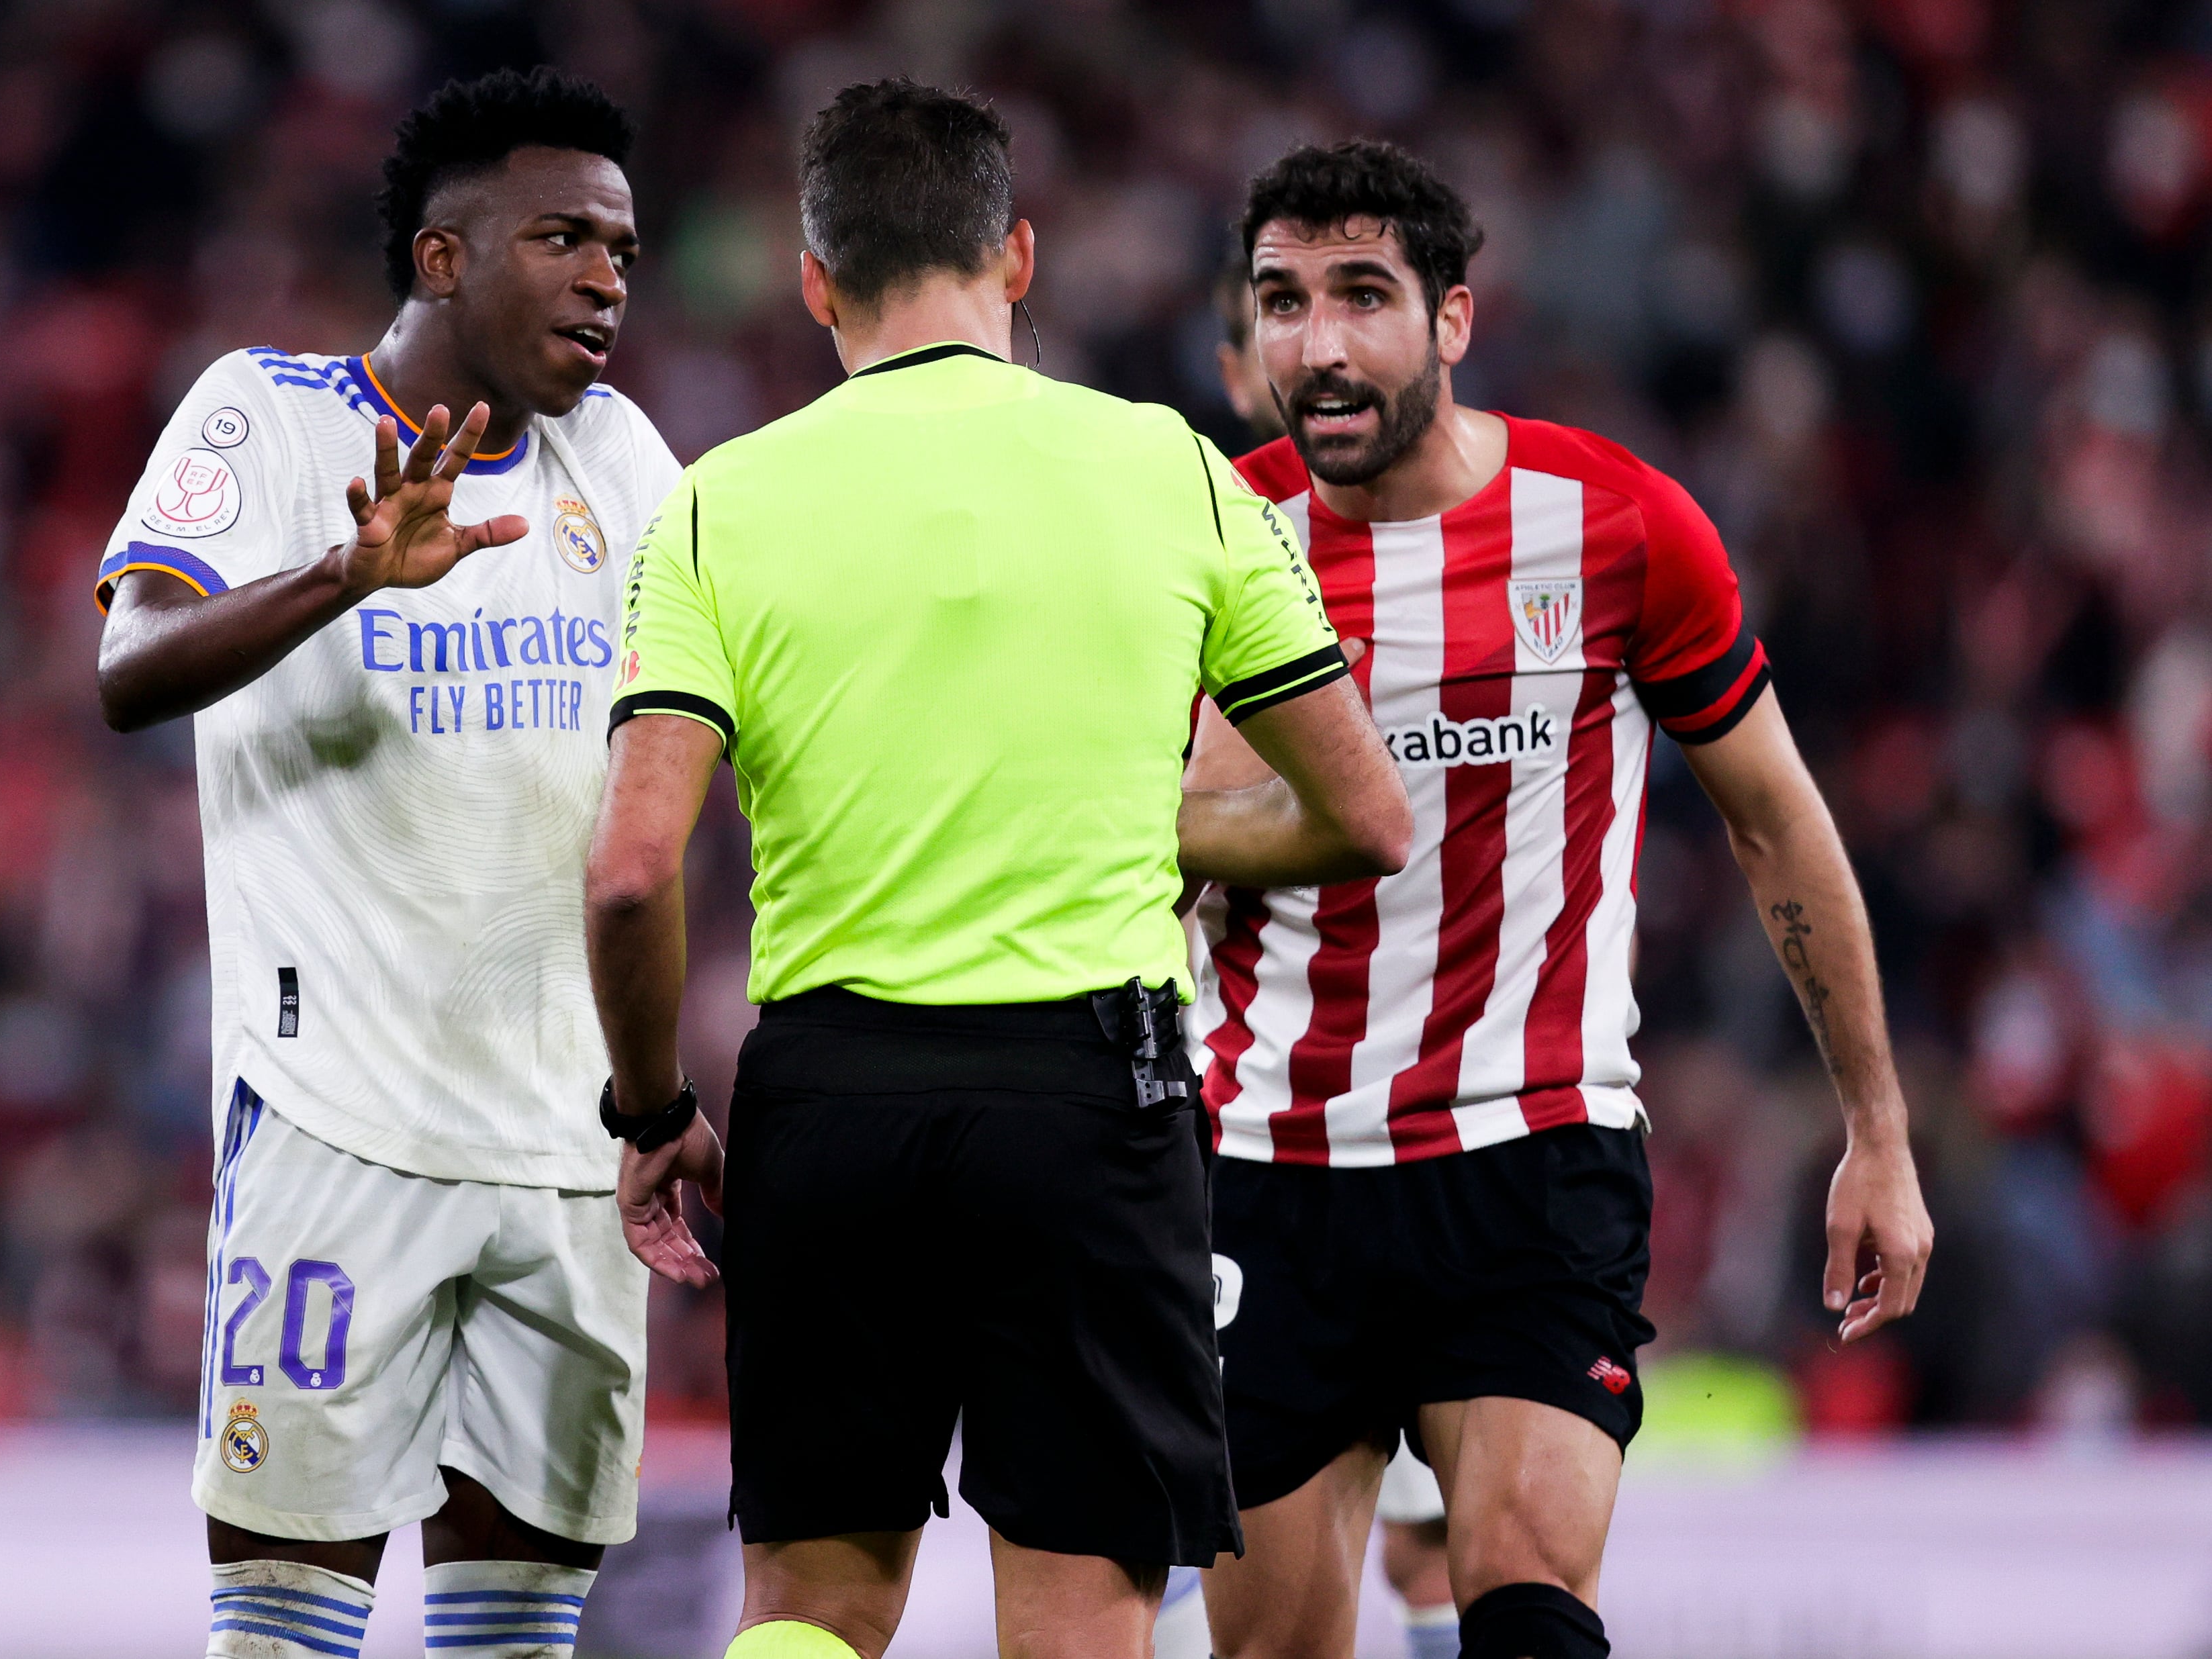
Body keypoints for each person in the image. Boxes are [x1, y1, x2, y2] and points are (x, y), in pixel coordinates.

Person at [582, 79, 1412, 1659]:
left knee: (812, 1611)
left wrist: (652, 1114)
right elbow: (1368, 817)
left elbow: (631, 870)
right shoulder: (1169, 470)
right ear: (1017, 255)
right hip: (1096, 1103)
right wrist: (1126, 827)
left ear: (815, 281)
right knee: (1082, 1613)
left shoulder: (721, 501)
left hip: (832, 1101)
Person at [1187, 139, 1936, 1659]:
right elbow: (1130, 846)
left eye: (1362, 297)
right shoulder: (1209, 547)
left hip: (1528, 1155)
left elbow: (1778, 825)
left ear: (1455, 320)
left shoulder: (1614, 528)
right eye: (1281, 300)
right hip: (1267, 1166)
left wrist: (1877, 1128)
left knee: (1530, 1598)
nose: (1317, 345)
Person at [94, 68, 680, 1659]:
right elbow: (128, 669)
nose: (607, 278)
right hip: (337, 1125)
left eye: (623, 248)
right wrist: (344, 572)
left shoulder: (626, 464)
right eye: (563, 237)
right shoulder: (265, 414)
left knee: (519, 1638)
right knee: (285, 1632)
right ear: (441, 259)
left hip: (570, 1143)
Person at [1170, 243, 1462, 1659]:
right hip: (1240, 1140)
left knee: (1442, 1547)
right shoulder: (1197, 556)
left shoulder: (1465, 555)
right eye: (1273, 328)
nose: (1301, 364)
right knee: (1220, 1582)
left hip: (1454, 1133)